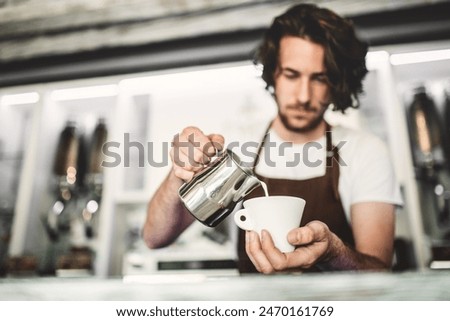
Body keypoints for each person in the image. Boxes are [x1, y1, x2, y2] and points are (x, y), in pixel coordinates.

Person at [142, 3, 403, 274]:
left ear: (337, 83)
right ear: (273, 74)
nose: (303, 96)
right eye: (291, 75)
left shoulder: (365, 151)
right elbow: (154, 237)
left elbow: (378, 270)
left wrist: (331, 252)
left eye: (319, 79)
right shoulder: (239, 145)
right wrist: (179, 174)